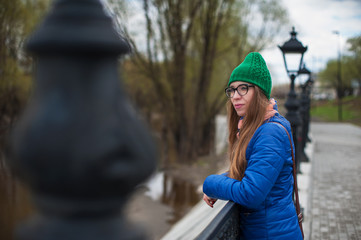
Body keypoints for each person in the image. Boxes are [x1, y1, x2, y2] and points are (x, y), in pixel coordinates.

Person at [202, 52, 303, 239]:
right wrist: (222, 180)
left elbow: (251, 193)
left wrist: (210, 183)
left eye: (243, 88)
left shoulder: (270, 133)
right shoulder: (258, 128)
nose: (235, 96)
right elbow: (252, 171)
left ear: (259, 91)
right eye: (231, 90)